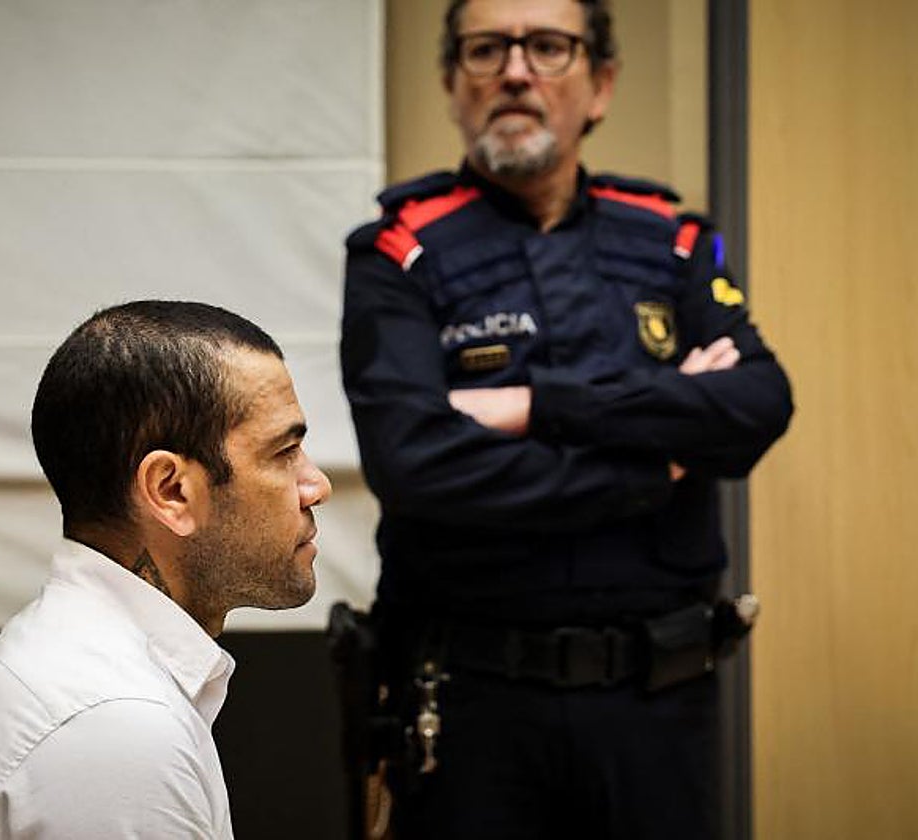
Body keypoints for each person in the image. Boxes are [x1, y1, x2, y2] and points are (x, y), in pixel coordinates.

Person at [339, 1, 792, 837]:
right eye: (487, 50)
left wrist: (537, 406)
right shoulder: (398, 253)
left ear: (601, 84)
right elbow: (413, 463)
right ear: (452, 82)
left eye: (548, 47)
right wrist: (654, 460)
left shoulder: (675, 242)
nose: (516, 71)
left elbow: (757, 404)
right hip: (471, 709)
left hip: (659, 706)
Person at [0, 300, 332, 839]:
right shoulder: (114, 728)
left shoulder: (85, 665)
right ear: (171, 491)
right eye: (284, 452)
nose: (317, 486)